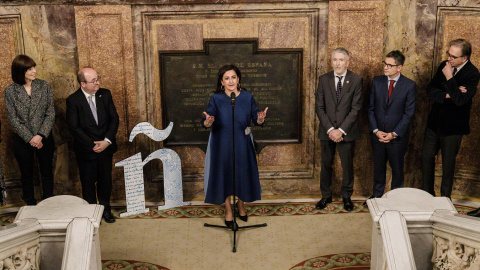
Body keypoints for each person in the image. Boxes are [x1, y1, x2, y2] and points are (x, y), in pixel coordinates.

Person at [202, 64, 268, 227]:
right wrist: (207, 122)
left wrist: (260, 120)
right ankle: (228, 211)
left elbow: (256, 117)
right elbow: (207, 119)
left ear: (238, 79)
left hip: (242, 142)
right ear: (221, 82)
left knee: (242, 174)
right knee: (224, 175)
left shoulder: (247, 97)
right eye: (226, 78)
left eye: (233, 77)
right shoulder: (216, 99)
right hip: (221, 143)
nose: (230, 81)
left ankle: (241, 204)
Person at [421, 39, 480, 207]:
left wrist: (449, 78)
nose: (450, 59)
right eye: (449, 54)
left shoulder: (472, 73)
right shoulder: (443, 65)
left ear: (465, 58)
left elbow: (461, 101)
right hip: (434, 124)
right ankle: (427, 196)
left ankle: (445, 200)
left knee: (448, 164)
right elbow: (430, 90)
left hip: (453, 128)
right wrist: (449, 94)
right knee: (426, 158)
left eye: (454, 56)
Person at [66, 67, 119, 223]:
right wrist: (92, 145)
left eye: (98, 78)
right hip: (86, 150)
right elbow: (73, 127)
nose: (98, 83)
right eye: (94, 80)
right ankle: (91, 214)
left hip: (106, 148)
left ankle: (105, 210)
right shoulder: (73, 100)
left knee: (105, 181)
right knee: (88, 183)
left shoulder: (105, 94)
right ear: (83, 83)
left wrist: (106, 141)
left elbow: (114, 119)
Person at [365, 50, 416, 205]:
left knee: (397, 170)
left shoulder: (409, 86)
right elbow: (370, 108)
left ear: (399, 67)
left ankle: (396, 200)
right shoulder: (376, 81)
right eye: (385, 64)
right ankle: (376, 197)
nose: (386, 67)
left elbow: (408, 114)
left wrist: (394, 134)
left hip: (397, 138)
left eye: (389, 65)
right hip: (378, 135)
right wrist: (376, 131)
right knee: (378, 167)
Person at [315, 47, 363, 211]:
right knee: (326, 165)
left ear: (347, 62)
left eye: (341, 60)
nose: (337, 63)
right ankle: (326, 196)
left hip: (346, 132)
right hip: (326, 131)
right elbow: (319, 107)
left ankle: (347, 197)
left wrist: (340, 130)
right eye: (335, 59)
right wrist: (330, 129)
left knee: (347, 166)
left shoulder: (356, 80)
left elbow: (356, 109)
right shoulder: (323, 79)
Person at [4, 55, 55, 205]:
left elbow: (50, 113)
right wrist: (31, 138)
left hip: (44, 137)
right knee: (26, 174)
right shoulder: (10, 91)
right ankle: (30, 204)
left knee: (47, 173)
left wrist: (40, 135)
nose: (34, 71)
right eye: (30, 69)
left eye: (34, 67)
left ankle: (49, 203)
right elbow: (13, 120)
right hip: (23, 139)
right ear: (20, 71)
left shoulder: (44, 86)